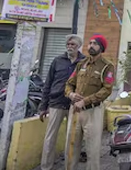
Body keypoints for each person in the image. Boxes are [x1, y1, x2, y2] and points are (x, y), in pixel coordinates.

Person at [64, 34, 115, 170]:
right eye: (90, 43)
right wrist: (71, 94)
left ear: (101, 47)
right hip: (75, 110)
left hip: (93, 111)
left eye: (95, 43)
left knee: (92, 149)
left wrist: (85, 101)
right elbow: (69, 83)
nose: (91, 45)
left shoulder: (107, 66)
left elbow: (107, 90)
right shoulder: (81, 64)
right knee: (71, 147)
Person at [38, 34, 86, 170]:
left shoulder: (84, 62)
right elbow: (48, 83)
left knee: (73, 139)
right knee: (50, 138)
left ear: (79, 46)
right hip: (56, 103)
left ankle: (69, 167)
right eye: (68, 44)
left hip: (74, 105)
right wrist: (43, 106)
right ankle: (46, 167)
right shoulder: (57, 60)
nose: (70, 47)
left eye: (73, 45)